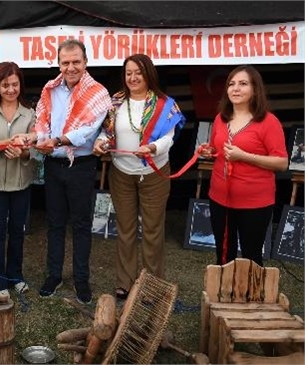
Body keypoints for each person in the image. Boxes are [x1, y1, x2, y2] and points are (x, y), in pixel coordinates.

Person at [14, 40, 111, 304]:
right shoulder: (50, 89)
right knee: (54, 223)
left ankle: (81, 280)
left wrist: (56, 141)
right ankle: (53, 275)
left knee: (80, 225)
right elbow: (42, 122)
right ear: (59, 64)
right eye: (65, 62)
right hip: (54, 165)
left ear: (86, 63)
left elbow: (88, 130)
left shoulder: (99, 93)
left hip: (81, 166)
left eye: (76, 62)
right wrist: (39, 140)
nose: (70, 68)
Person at [93, 54, 186, 300]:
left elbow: (168, 138)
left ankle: (152, 284)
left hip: (154, 173)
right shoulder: (115, 102)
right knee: (125, 228)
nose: (133, 77)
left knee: (153, 230)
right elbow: (105, 131)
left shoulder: (164, 104)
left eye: (138, 72)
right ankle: (125, 282)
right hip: (121, 173)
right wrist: (101, 143)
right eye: (128, 73)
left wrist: (154, 148)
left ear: (149, 74)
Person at [199, 65, 288, 266]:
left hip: (255, 203)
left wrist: (245, 156)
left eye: (243, 84)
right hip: (220, 199)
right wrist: (210, 151)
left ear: (255, 89)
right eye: (231, 84)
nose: (235, 89)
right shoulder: (220, 119)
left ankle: (251, 297)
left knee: (251, 257)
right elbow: (217, 149)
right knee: (223, 254)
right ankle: (223, 295)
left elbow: (282, 163)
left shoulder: (268, 122)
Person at [0, 62, 37, 298]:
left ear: (20, 85)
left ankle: (15, 275)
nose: (11, 89)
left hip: (20, 181)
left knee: (17, 230)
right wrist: (7, 146)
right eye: (5, 85)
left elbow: (35, 146)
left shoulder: (30, 113)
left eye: (14, 84)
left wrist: (23, 151)